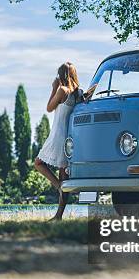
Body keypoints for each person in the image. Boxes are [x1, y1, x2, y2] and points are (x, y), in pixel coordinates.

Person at [34, 62, 83, 221]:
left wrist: (53, 88)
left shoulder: (62, 90)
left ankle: (59, 188)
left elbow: (49, 108)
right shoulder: (78, 93)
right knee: (64, 174)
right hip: (70, 137)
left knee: (39, 163)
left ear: (61, 75)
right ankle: (58, 215)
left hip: (57, 135)